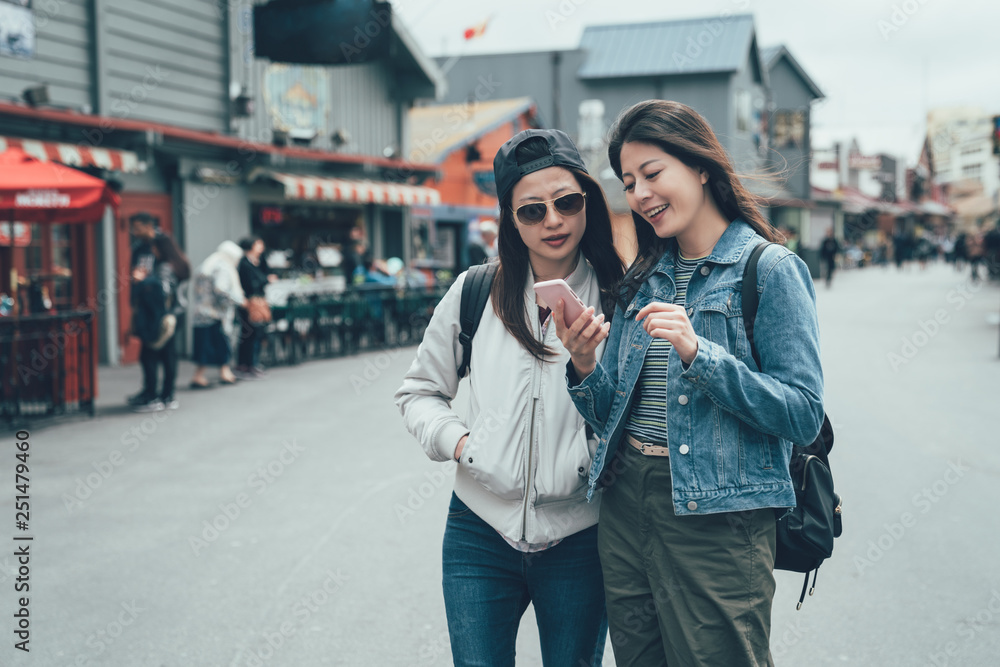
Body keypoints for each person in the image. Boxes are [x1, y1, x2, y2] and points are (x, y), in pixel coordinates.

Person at [554, 100, 824, 666]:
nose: (640, 195)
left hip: (719, 515)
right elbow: (608, 413)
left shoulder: (769, 270)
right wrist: (582, 364)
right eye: (628, 183)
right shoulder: (643, 278)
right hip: (626, 501)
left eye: (653, 174)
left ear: (701, 166)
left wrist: (702, 355)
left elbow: (802, 413)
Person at [395, 128, 626, 666]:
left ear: (588, 202)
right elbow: (419, 392)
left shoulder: (622, 298)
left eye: (567, 202)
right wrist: (463, 445)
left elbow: (634, 420)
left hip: (581, 536)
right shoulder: (475, 291)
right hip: (478, 532)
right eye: (531, 210)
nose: (553, 220)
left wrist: (590, 448)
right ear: (509, 218)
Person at [127, 213, 191, 412]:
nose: (133, 232)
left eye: (137, 227)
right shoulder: (143, 249)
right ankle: (161, 394)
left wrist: (141, 281)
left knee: (155, 354)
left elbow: (162, 290)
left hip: (163, 314)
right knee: (159, 353)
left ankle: (157, 395)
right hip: (158, 312)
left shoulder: (163, 260)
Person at [189, 241, 246, 388]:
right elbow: (221, 289)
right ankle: (220, 373)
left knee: (205, 345)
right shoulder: (223, 267)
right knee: (221, 344)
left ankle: (214, 373)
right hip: (217, 314)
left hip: (201, 313)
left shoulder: (207, 264)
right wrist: (238, 301)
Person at [234, 236, 272, 380]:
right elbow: (253, 282)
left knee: (256, 332)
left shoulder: (258, 261)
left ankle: (252, 363)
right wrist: (265, 280)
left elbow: (265, 273)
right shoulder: (244, 263)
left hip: (257, 301)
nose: (261, 247)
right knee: (249, 333)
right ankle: (246, 365)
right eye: (258, 244)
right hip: (248, 302)